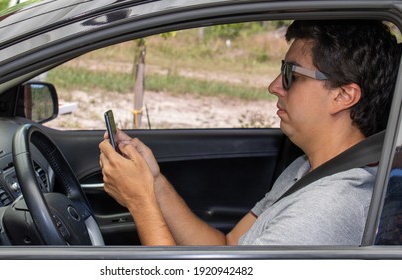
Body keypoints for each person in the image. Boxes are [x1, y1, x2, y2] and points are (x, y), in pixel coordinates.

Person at [99, 20, 401, 246]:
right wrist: (154, 183)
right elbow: (227, 248)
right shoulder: (309, 169)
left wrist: (140, 202)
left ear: (343, 96)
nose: (273, 86)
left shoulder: (325, 209)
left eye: (290, 75)